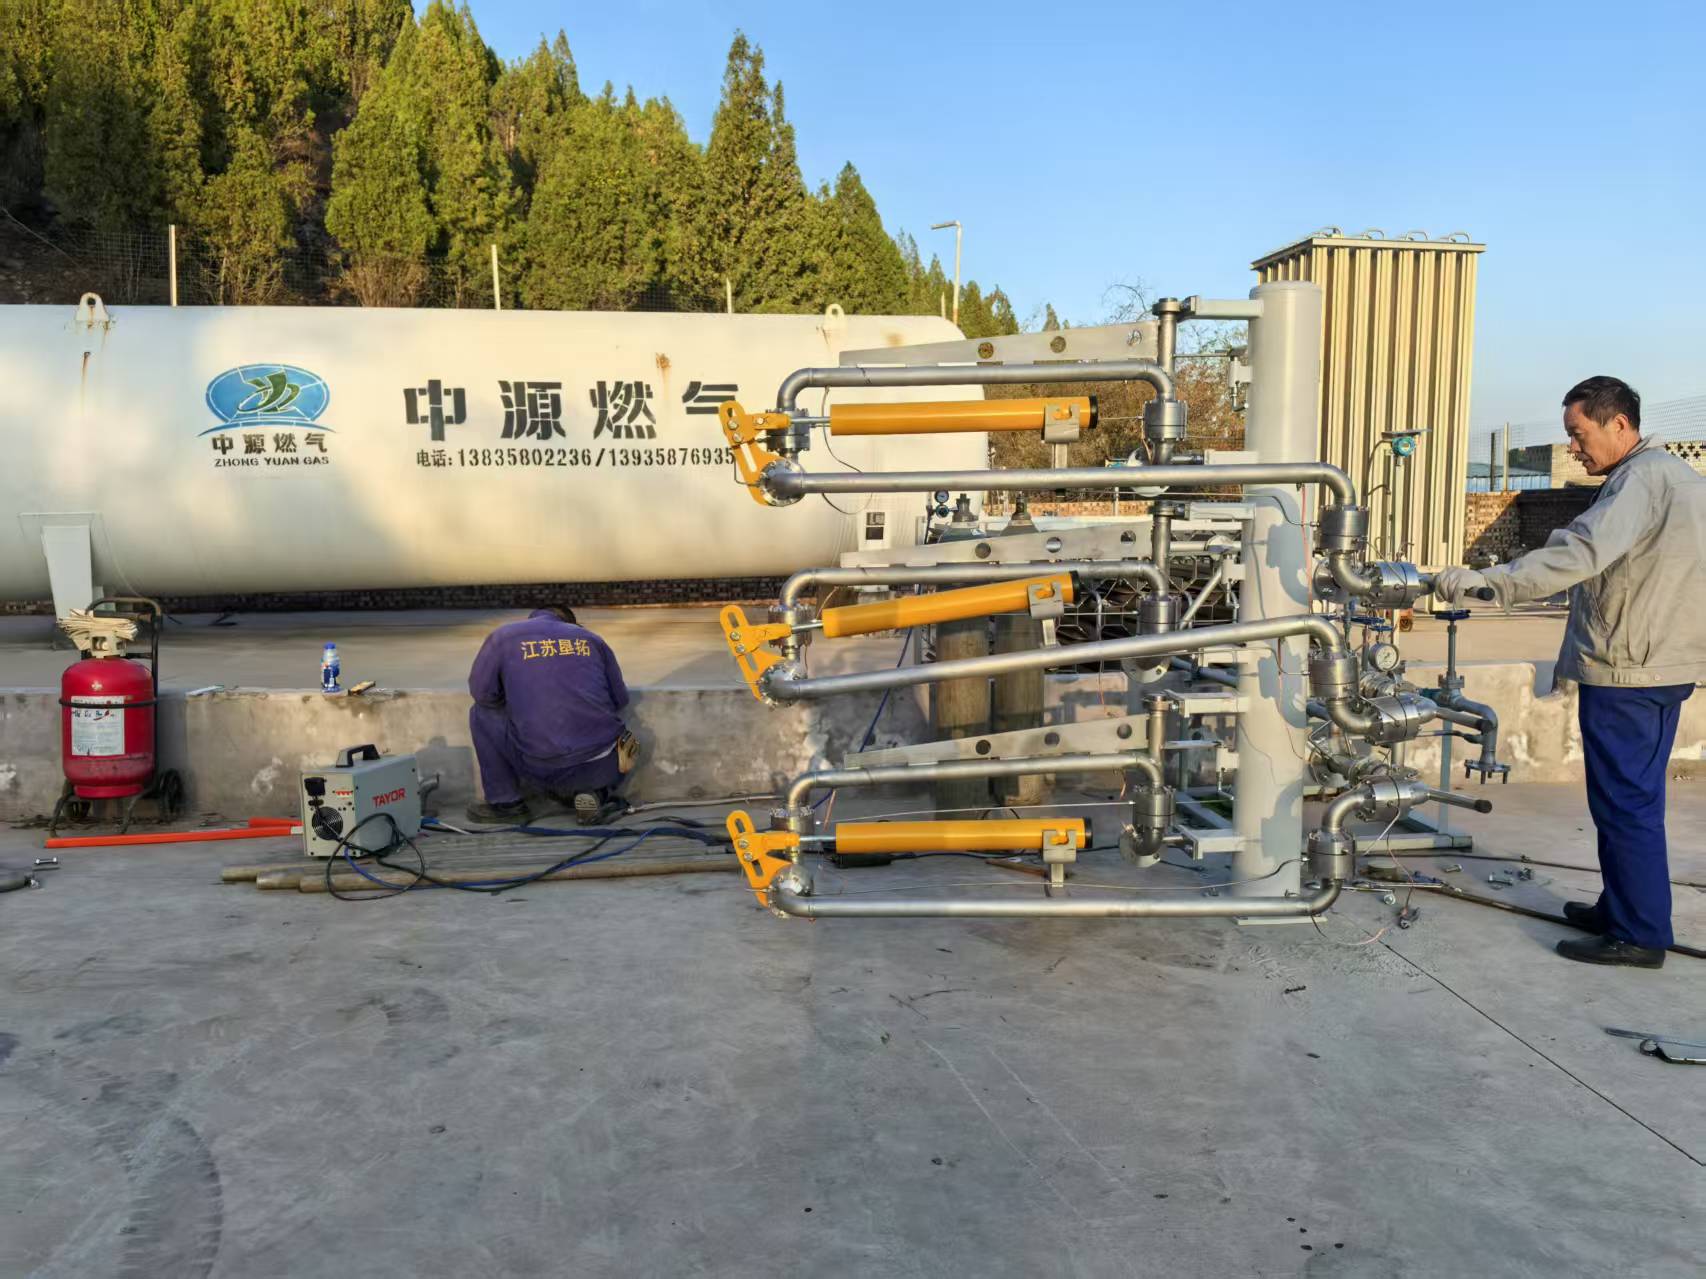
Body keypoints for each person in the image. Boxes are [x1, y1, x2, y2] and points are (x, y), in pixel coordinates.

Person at [1434, 376, 1706, 968]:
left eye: (1579, 435)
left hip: (1627, 669)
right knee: (1632, 798)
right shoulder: (1682, 479)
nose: (1573, 449)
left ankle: (1638, 934)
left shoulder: (1639, 481)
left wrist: (1490, 583)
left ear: (1619, 424)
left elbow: (1578, 552)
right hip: (1663, 664)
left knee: (1625, 804)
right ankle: (1623, 907)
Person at [465, 607, 632, 826]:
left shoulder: (504, 637)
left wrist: (522, 700)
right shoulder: (591, 639)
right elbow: (620, 699)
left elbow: (482, 694)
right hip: (604, 764)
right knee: (626, 744)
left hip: (541, 768)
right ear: (570, 623)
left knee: (481, 713)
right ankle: (597, 793)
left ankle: (507, 805)